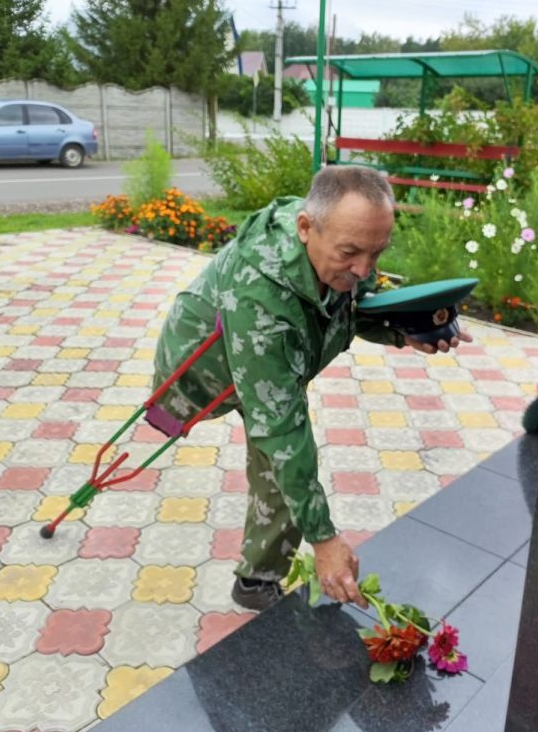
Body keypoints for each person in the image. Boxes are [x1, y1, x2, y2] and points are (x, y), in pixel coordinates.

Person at [150, 165, 472, 611]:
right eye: (351, 253)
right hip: (205, 370)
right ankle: (260, 574)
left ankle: (256, 579)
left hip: (268, 360)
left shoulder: (334, 246)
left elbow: (352, 304)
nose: (364, 269)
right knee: (285, 450)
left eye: (376, 253)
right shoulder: (259, 299)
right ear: (306, 228)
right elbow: (281, 429)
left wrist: (406, 331)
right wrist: (324, 539)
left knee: (282, 464)